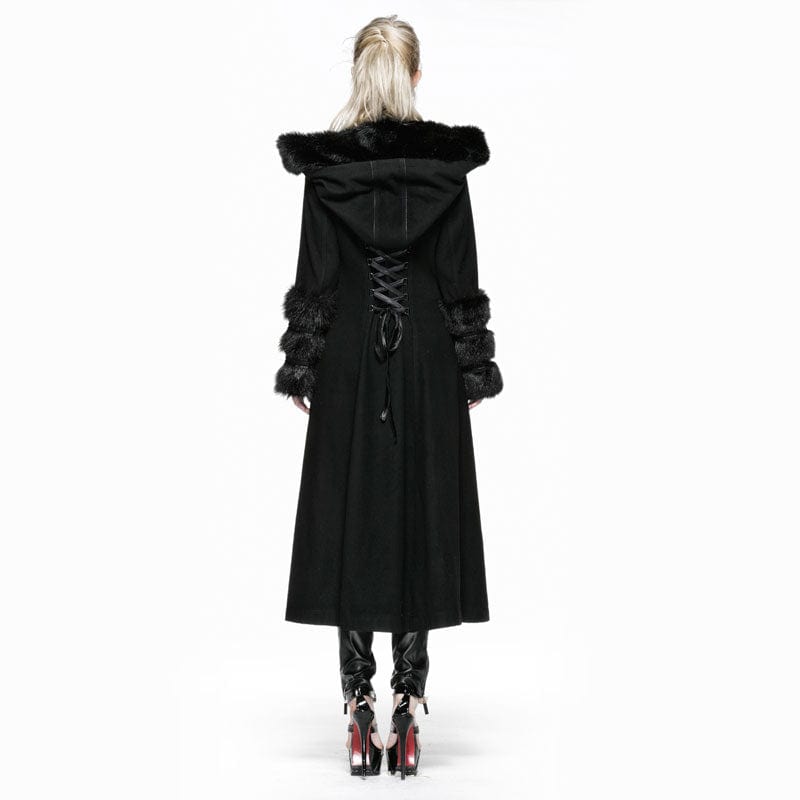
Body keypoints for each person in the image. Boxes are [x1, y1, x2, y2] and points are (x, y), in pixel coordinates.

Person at [273, 15, 503, 779]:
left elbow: (316, 277)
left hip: (349, 360)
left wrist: (304, 366)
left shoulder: (327, 174)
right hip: (426, 360)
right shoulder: (445, 171)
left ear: (358, 75)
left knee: (352, 518)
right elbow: (460, 276)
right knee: (415, 516)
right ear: (416, 77)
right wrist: (471, 369)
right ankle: (407, 706)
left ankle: (358, 706)